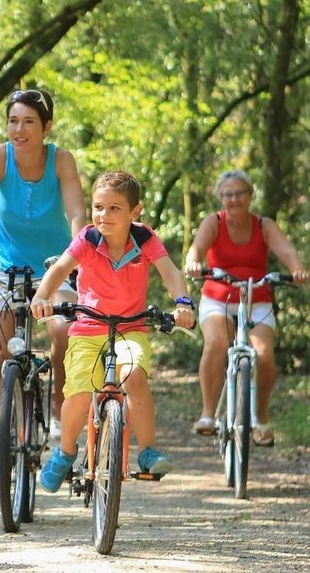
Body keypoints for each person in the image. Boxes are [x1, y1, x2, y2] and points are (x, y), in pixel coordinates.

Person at [31, 170, 197, 491]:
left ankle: (147, 450)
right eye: (98, 207)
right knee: (79, 392)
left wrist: (183, 303)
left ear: (135, 212)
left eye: (114, 208)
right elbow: (59, 269)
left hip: (130, 327)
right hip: (87, 327)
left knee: (133, 374)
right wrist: (41, 297)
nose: (103, 215)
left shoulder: (145, 238)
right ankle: (65, 452)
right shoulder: (87, 239)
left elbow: (170, 272)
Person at [0, 88, 85, 494]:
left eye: (29, 121)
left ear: (46, 127)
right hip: (2, 267)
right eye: (13, 121)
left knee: (64, 333)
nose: (19, 129)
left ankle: (62, 420)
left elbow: (77, 212)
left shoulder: (61, 160)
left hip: (54, 266)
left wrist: (81, 255)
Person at [182, 169, 309, 446]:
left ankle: (261, 417)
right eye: (228, 195)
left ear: (250, 195)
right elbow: (196, 249)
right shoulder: (212, 222)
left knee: (264, 355)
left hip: (256, 299)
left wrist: (296, 268)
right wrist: (193, 263)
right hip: (219, 296)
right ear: (220, 198)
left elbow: (285, 250)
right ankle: (207, 415)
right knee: (216, 343)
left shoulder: (264, 225)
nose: (234, 199)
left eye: (240, 193)